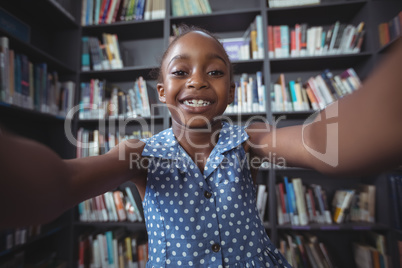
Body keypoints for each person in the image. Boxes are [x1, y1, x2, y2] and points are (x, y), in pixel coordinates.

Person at [1, 25, 402, 267]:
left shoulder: (252, 140)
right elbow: (65, 181)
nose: (197, 80)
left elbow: (320, 141)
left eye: (214, 71)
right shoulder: (141, 154)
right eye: (181, 71)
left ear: (231, 91)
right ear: (161, 91)